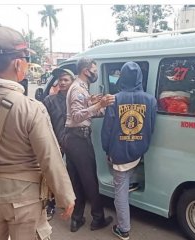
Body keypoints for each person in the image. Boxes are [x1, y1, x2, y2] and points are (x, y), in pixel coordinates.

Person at [0, 26, 75, 240]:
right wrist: (66, 197)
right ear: (18, 63)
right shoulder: (31, 108)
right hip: (26, 199)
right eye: (26, 59)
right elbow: (49, 158)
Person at [101, 62, 157, 240]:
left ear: (122, 77)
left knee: (120, 194)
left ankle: (123, 229)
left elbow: (107, 129)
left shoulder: (114, 99)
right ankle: (131, 182)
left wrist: (106, 149)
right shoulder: (151, 100)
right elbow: (151, 126)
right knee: (129, 173)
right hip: (139, 148)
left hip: (119, 151)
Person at [64, 57, 115, 232]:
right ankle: (98, 219)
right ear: (86, 70)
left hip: (73, 138)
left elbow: (88, 113)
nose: (95, 73)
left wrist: (99, 105)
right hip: (78, 139)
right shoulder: (78, 89)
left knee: (77, 180)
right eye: (94, 69)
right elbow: (78, 116)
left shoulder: (82, 89)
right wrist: (99, 104)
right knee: (90, 180)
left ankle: (77, 218)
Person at [43, 68, 75, 220]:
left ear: (72, 82)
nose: (62, 83)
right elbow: (44, 124)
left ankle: (72, 203)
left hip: (75, 143)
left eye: (66, 80)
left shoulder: (77, 99)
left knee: (74, 174)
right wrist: (53, 142)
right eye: (60, 80)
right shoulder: (49, 100)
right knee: (52, 175)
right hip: (56, 143)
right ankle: (50, 205)